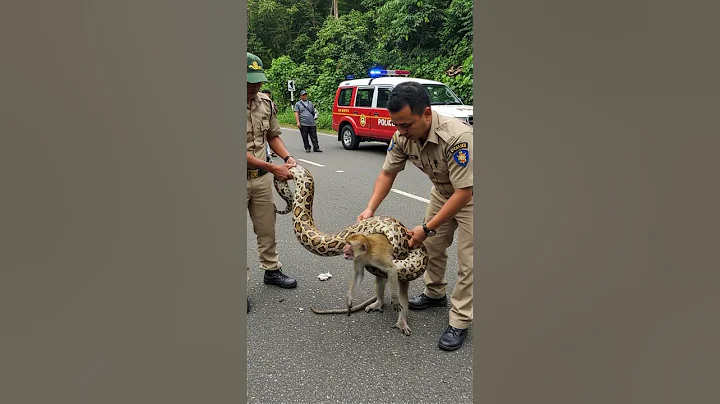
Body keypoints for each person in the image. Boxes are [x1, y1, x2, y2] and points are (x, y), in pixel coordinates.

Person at [357, 81, 473, 351]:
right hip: (443, 193)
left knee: (468, 260)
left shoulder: (457, 137)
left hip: (470, 194)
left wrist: (426, 227)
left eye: (406, 124)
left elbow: (463, 193)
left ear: (427, 114)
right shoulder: (402, 137)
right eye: (396, 125)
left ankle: (460, 320)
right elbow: (387, 173)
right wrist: (370, 208)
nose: (401, 131)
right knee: (431, 248)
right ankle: (435, 293)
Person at [246, 52, 299, 302]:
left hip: (261, 178)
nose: (255, 86)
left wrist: (287, 158)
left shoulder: (265, 103)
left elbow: (273, 136)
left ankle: (271, 270)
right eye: (249, 80)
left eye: (258, 80)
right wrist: (272, 168)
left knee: (267, 228)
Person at [261, 89, 278, 159]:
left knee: (272, 136)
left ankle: (272, 151)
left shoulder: (271, 103)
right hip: (260, 124)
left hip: (269, 122)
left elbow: (276, 111)